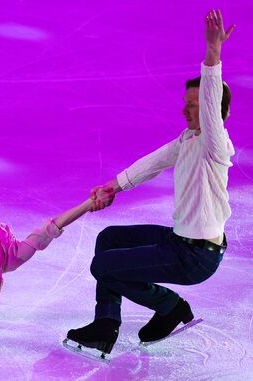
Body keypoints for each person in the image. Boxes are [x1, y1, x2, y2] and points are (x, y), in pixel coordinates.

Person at [65, 9, 236, 355]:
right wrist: (114, 186)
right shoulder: (188, 139)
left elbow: (210, 95)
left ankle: (169, 306)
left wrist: (213, 54)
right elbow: (154, 162)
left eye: (195, 106)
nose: (186, 111)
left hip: (196, 257)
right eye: (186, 104)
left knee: (103, 267)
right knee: (108, 240)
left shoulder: (214, 145)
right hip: (179, 242)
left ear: (212, 110)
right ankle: (105, 323)